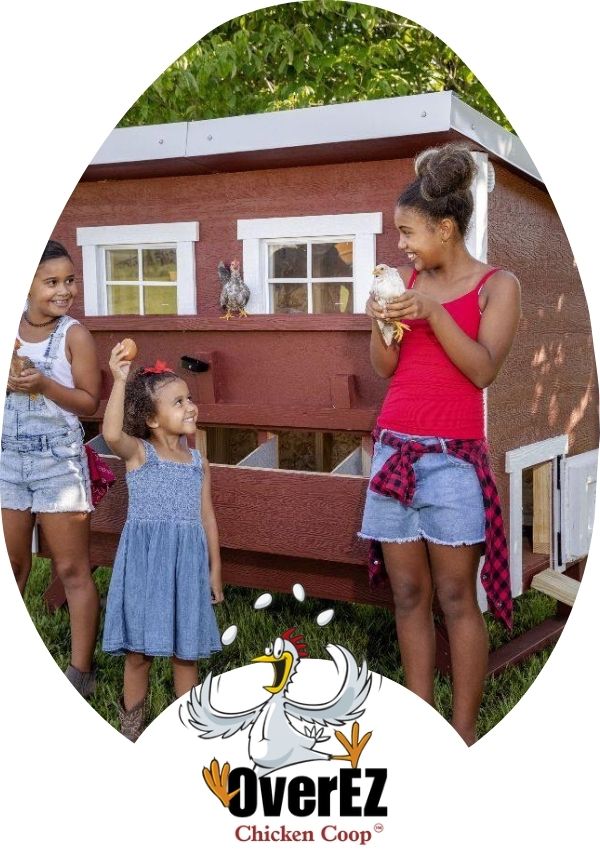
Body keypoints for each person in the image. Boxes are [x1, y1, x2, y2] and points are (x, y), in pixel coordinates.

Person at [360, 143, 521, 746]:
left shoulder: (496, 286)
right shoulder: (405, 282)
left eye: (408, 232)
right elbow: (384, 367)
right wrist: (382, 322)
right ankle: (420, 726)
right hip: (394, 449)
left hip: (453, 460)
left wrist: (432, 311)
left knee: (456, 595)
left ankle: (461, 734)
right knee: (408, 593)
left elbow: (482, 370)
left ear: (446, 228)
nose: (400, 245)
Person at [101, 347, 224, 741]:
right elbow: (111, 434)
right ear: (152, 419)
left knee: (185, 653)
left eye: (189, 398)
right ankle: (132, 732)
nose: (191, 406)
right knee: (139, 655)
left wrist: (214, 570)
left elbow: (206, 517)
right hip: (147, 566)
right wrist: (120, 380)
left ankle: (184, 736)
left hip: (187, 566)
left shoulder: (197, 462)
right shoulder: (141, 454)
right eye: (179, 402)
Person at [1, 239, 101, 697]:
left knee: (70, 569)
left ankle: (80, 671)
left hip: (58, 464)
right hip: (7, 461)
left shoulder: (74, 336)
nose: (64, 291)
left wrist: (42, 383)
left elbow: (88, 403)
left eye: (70, 280)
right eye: (52, 282)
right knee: (14, 563)